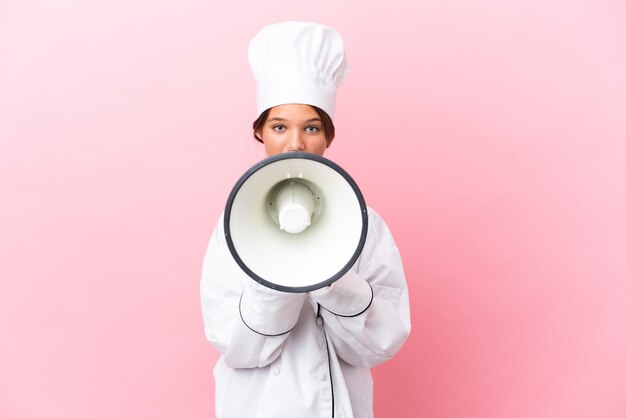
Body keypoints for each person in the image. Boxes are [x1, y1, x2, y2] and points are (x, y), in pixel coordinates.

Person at [200, 21, 411, 418]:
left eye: (311, 127)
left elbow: (380, 343)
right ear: (260, 133)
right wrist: (280, 273)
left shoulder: (365, 226)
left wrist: (333, 276)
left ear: (328, 137)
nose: (295, 142)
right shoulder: (232, 228)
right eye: (279, 126)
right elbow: (238, 348)